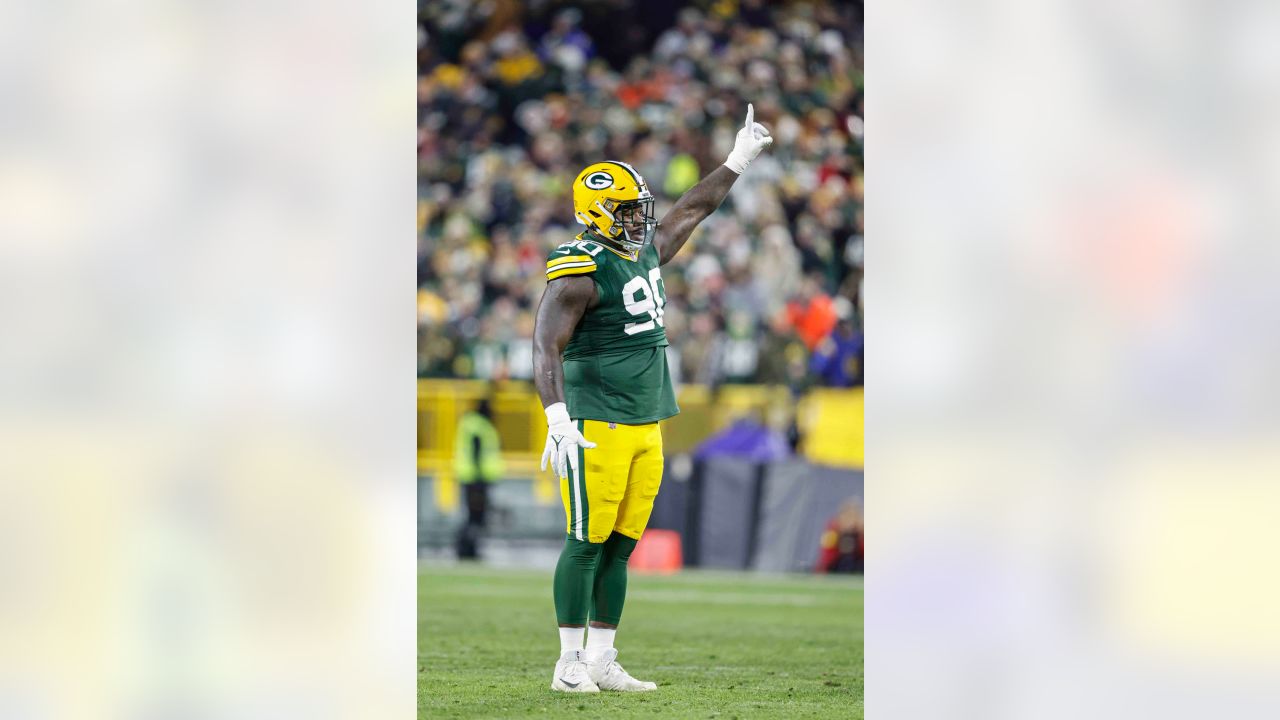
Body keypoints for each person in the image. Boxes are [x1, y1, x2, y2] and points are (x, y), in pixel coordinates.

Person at [533, 105, 773, 693]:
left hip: (646, 420)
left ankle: (601, 658)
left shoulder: (639, 250)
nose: (640, 220)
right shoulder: (578, 268)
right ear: (596, 213)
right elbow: (544, 347)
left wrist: (736, 160)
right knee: (585, 541)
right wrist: (558, 418)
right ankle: (568, 662)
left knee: (620, 547)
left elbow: (693, 207)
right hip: (598, 423)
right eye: (627, 211)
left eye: (640, 209)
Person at [452, 398, 504, 560]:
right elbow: (477, 453)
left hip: (469, 477)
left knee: (472, 516)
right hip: (476, 480)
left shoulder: (469, 423)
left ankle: (467, 549)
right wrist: (479, 479)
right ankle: (466, 550)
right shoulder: (479, 426)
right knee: (475, 516)